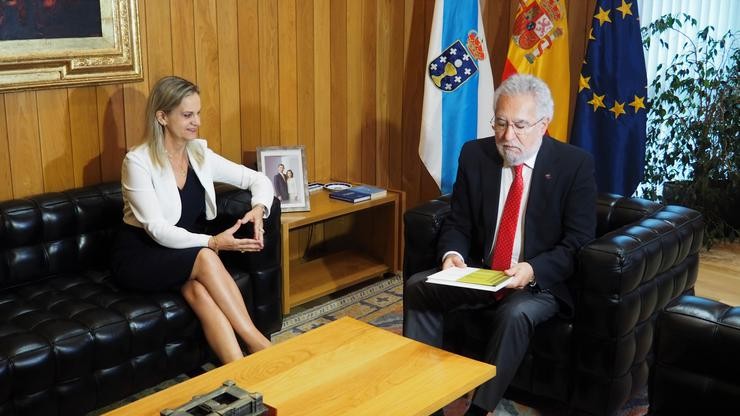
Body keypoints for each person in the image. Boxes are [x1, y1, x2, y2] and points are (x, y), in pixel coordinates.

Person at [403, 74, 597, 415]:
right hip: (483, 274)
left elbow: (578, 242)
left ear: (543, 125)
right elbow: (458, 221)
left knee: (516, 313)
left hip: (537, 284)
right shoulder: (476, 154)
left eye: (520, 125)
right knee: (419, 287)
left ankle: (480, 408)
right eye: (501, 123)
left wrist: (533, 270)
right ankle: (424, 395)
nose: (508, 137)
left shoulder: (573, 165)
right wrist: (452, 255)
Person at [111, 76, 273, 364]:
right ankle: (259, 344)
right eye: (187, 115)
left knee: (199, 292)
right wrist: (212, 241)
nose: (196, 121)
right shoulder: (137, 162)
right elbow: (158, 230)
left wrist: (259, 207)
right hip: (142, 254)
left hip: (183, 252)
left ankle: (239, 369)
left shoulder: (199, 153)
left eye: (198, 113)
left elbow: (257, 178)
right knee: (207, 256)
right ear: (162, 117)